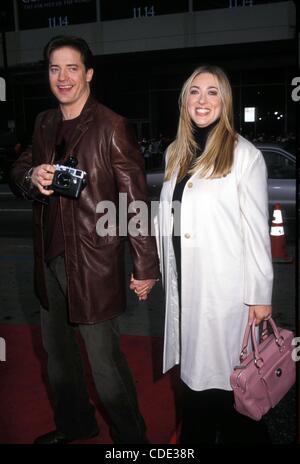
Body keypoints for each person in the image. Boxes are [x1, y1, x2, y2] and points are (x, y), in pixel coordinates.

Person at [10, 35, 158, 444]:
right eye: (55, 68)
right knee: (58, 360)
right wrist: (30, 176)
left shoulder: (112, 126)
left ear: (88, 73)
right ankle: (76, 426)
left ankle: (134, 443)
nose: (63, 77)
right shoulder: (44, 122)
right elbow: (18, 168)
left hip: (93, 264)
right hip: (49, 260)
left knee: (105, 366)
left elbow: (135, 201)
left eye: (72, 67)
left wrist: (145, 266)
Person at [155, 65, 273, 444]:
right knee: (195, 384)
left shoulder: (244, 155)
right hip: (186, 288)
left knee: (231, 390)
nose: (202, 100)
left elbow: (256, 230)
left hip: (225, 295)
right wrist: (154, 270)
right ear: (184, 100)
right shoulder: (176, 152)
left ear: (225, 101)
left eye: (212, 92)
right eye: (194, 92)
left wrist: (260, 295)